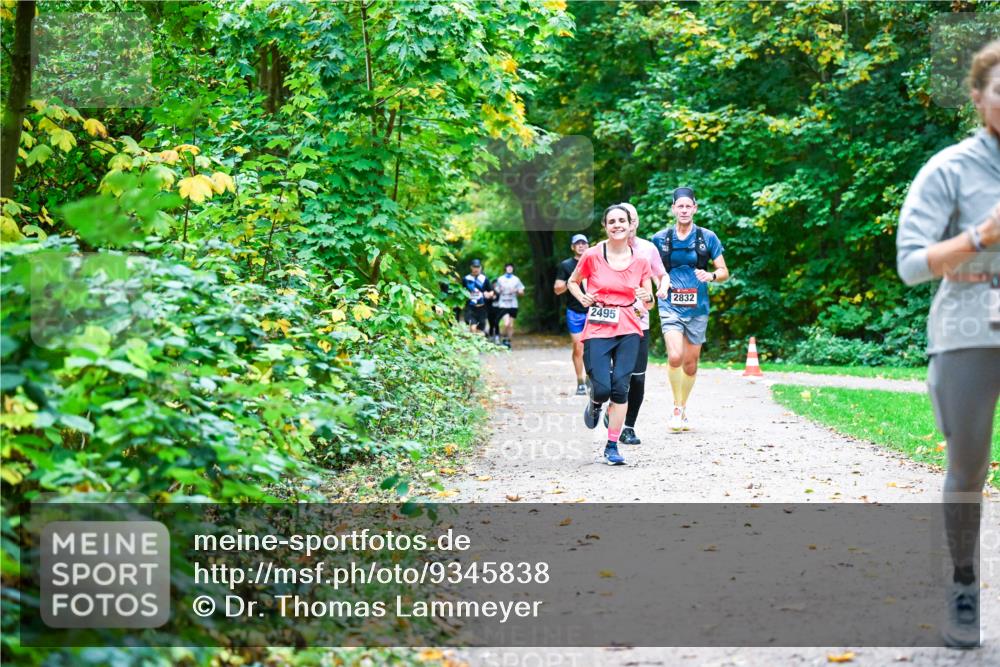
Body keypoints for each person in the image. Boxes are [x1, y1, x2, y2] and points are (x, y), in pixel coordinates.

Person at [896, 39, 1000, 650]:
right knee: (968, 467)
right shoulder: (951, 169)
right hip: (970, 333)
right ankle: (963, 584)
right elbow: (911, 264)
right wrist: (979, 238)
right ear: (979, 96)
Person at [567, 205, 654, 466]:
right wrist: (582, 296)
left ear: (631, 225)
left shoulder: (641, 260)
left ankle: (612, 446)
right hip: (598, 326)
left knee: (620, 388)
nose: (617, 225)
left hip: (629, 327)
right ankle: (596, 403)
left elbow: (649, 301)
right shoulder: (592, 255)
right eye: (612, 221)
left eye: (622, 221)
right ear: (605, 226)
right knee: (603, 388)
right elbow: (573, 281)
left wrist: (646, 297)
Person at [651, 187, 729, 432]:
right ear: (673, 209)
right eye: (680, 206)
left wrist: (711, 275)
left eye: (688, 206)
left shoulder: (708, 237)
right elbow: (651, 269)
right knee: (675, 356)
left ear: (695, 208)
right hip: (670, 305)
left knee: (690, 364)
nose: (684, 210)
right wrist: (660, 284)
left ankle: (683, 407)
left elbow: (724, 272)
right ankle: (676, 408)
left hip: (698, 308)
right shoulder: (660, 239)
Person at [601, 202, 668, 445]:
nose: (626, 223)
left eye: (630, 218)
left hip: (639, 321)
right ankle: (610, 403)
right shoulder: (602, 249)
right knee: (612, 375)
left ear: (635, 222)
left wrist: (662, 288)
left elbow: (662, 275)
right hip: (610, 320)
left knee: (637, 378)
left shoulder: (648, 249)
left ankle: (628, 427)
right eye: (619, 218)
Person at [554, 234, 591, 395]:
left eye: (584, 243)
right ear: (572, 247)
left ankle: (590, 377)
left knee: (593, 347)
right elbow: (557, 289)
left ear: (588, 246)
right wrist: (572, 281)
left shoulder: (594, 262)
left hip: (594, 311)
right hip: (575, 311)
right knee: (578, 346)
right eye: (578, 243)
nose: (581, 246)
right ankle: (580, 381)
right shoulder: (566, 265)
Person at [493, 263, 525, 349]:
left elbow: (522, 292)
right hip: (503, 304)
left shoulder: (516, 279)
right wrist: (500, 290)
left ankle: (508, 340)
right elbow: (496, 290)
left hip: (513, 304)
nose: (509, 269)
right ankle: (504, 338)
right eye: (508, 267)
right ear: (505, 268)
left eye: (511, 268)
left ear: (513, 269)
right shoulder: (500, 279)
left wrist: (517, 290)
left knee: (511, 325)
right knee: (506, 323)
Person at [462, 259, 493, 335]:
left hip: (482, 308)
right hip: (470, 308)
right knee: (473, 327)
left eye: (478, 267)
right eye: (474, 267)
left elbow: (491, 291)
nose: (476, 269)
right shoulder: (466, 279)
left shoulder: (484, 279)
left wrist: (488, 294)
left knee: (480, 331)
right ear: (471, 267)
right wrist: (466, 295)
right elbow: (461, 292)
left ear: (480, 268)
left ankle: (476, 341)